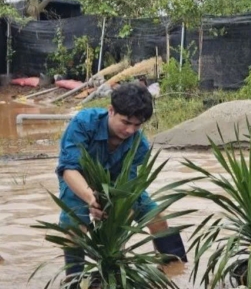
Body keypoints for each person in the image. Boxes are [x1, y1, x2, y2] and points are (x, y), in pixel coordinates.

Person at [56, 83, 187, 281]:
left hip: (120, 186)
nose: (130, 130)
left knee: (157, 217)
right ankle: (74, 280)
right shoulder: (84, 123)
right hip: (79, 180)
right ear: (111, 111)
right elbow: (68, 168)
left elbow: (129, 187)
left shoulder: (139, 144)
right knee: (75, 226)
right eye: (125, 122)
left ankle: (173, 271)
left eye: (137, 125)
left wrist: (119, 220)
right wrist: (91, 199)